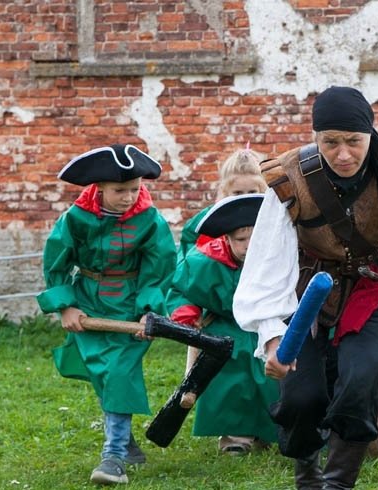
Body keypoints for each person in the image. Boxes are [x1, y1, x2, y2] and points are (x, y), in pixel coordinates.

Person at [233, 86, 378, 489]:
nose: (343, 154)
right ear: (316, 138)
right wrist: (271, 337)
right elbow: (268, 261)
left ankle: (338, 484)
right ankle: (308, 478)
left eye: (354, 142)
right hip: (303, 293)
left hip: (369, 288)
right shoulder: (289, 180)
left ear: (370, 135)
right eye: (331, 142)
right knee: (301, 396)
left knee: (362, 379)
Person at [36, 144, 176, 485]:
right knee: (102, 373)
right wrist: (66, 305)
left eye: (134, 189)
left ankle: (113, 457)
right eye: (119, 191)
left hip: (129, 306)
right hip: (89, 302)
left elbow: (158, 267)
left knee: (118, 373)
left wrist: (149, 312)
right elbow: (56, 261)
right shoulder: (75, 218)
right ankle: (126, 442)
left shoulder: (150, 220)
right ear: (98, 188)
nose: (129, 197)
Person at [168, 194, 279, 455]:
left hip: (267, 326)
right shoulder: (204, 261)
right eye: (241, 239)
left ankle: (266, 432)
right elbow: (180, 289)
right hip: (225, 327)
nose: (250, 246)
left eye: (255, 238)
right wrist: (187, 313)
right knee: (230, 379)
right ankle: (234, 438)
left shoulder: (275, 259)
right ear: (226, 238)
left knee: (268, 380)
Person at [177, 146, 267, 262]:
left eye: (252, 192)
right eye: (238, 193)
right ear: (225, 191)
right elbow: (188, 239)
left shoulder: (268, 215)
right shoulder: (209, 218)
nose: (245, 198)